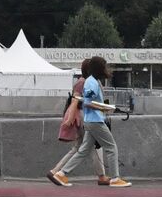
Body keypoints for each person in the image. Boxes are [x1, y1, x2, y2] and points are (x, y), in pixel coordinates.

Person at [48, 56, 132, 188]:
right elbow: (88, 103)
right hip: (95, 121)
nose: (106, 69)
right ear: (99, 68)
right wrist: (108, 108)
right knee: (111, 147)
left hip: (90, 121)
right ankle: (115, 178)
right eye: (104, 66)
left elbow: (89, 102)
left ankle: (61, 174)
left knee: (83, 150)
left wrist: (106, 107)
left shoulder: (91, 81)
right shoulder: (92, 82)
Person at [51, 58, 106, 181]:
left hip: (86, 117)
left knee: (78, 147)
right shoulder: (84, 82)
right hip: (86, 118)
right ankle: (101, 176)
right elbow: (75, 100)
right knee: (95, 147)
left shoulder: (87, 81)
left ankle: (56, 171)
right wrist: (70, 117)